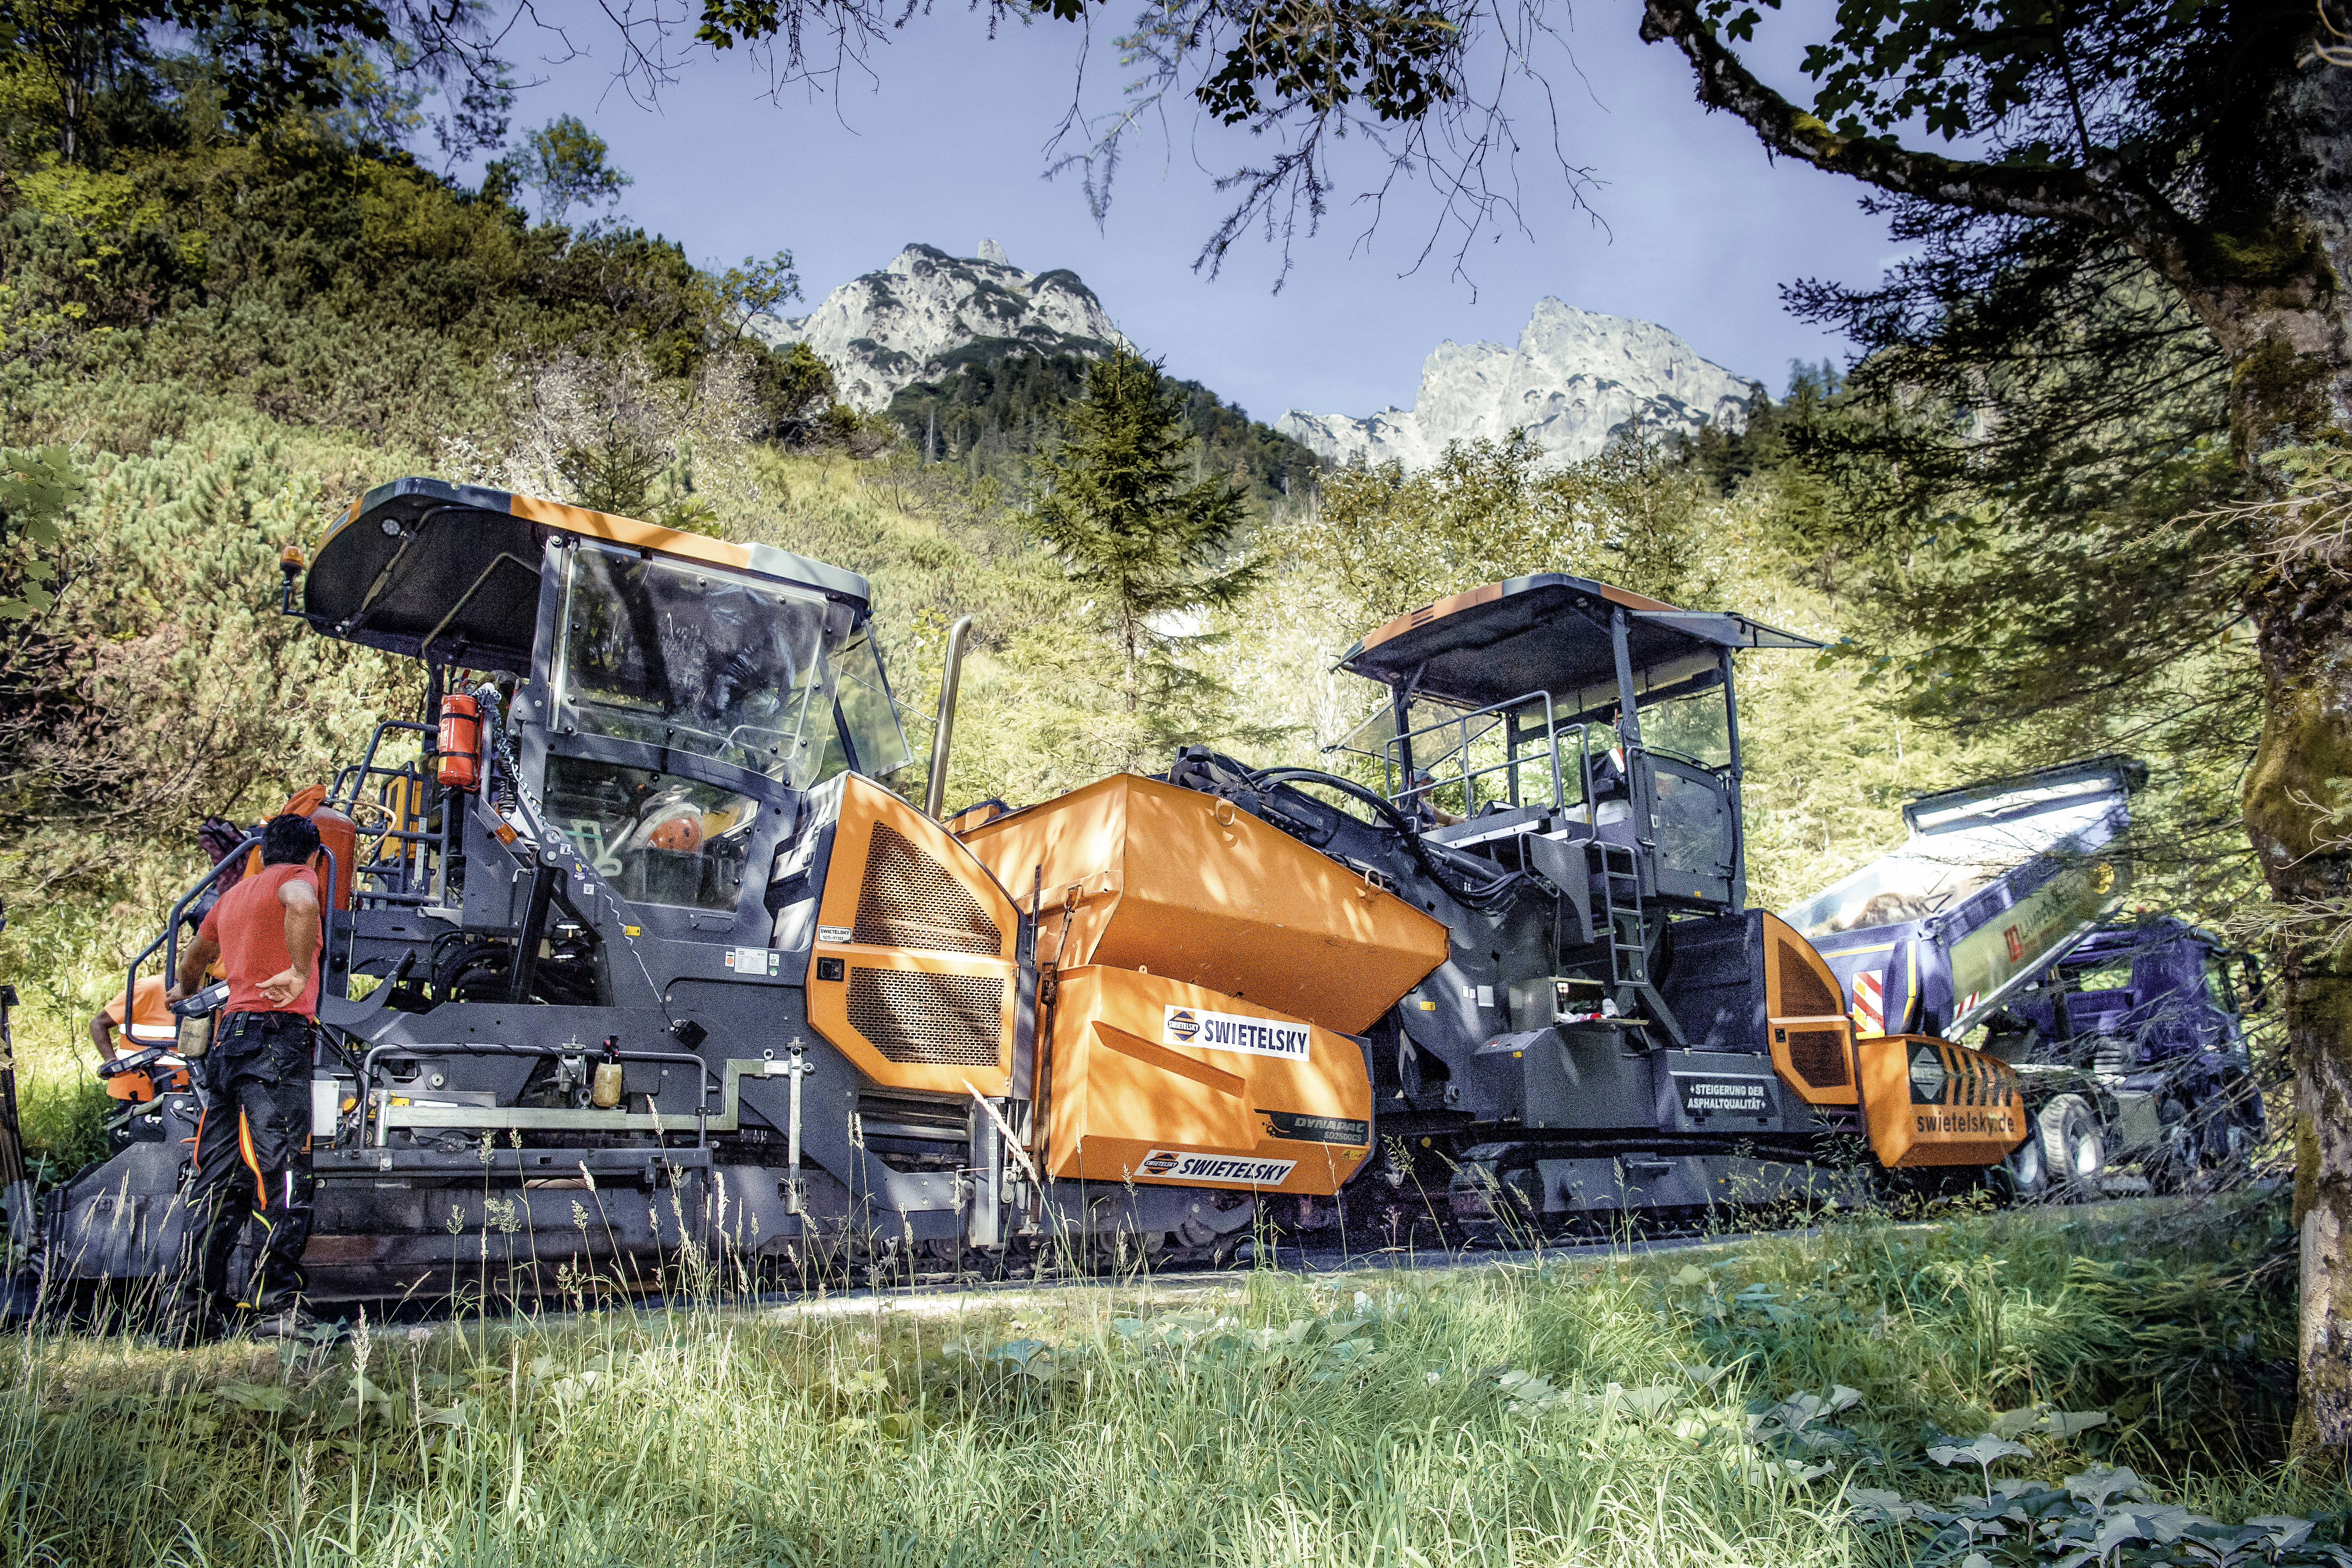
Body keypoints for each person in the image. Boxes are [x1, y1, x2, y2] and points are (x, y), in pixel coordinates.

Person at [167, 812, 326, 1339]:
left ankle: (192, 1313)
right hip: (274, 1040)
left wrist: (184, 994)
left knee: (219, 1180)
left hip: (228, 1041)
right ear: (310, 855)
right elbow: (302, 905)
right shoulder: (297, 880)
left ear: (262, 849)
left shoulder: (232, 897)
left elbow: (194, 958)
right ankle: (277, 1308)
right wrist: (301, 971)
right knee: (283, 1175)